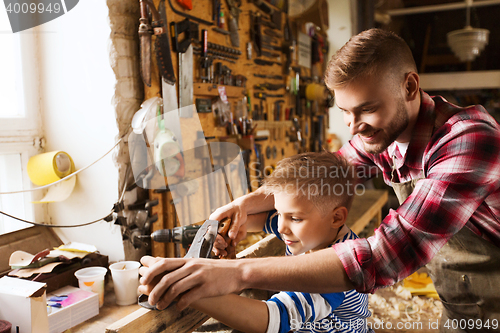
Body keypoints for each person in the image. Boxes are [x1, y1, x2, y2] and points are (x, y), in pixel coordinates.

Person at [138, 28, 500, 332]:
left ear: (409, 86)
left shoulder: (467, 140)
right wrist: (244, 207)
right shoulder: (383, 134)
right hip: (461, 308)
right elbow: (322, 178)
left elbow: (385, 256)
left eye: (366, 109)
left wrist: (236, 273)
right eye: (344, 111)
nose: (353, 126)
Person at [140, 152, 374, 333]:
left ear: (337, 217)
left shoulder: (338, 274)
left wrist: (189, 289)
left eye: (294, 218)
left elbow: (272, 319)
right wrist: (229, 230)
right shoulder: (310, 231)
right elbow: (253, 220)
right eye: (279, 212)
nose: (281, 227)